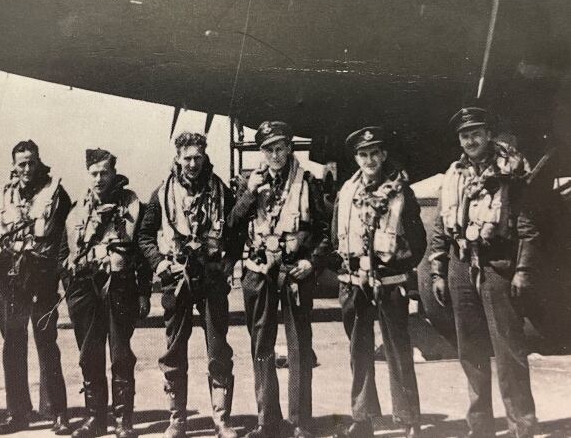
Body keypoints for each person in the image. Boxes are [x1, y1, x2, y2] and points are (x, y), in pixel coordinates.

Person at [429, 108, 539, 438]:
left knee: (509, 351)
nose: (471, 140)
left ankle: (522, 425)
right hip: (461, 266)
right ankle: (480, 427)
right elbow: (439, 224)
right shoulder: (453, 175)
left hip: (497, 266)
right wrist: (437, 270)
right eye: (465, 135)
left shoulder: (510, 172)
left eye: (476, 132)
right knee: (470, 351)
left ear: (488, 134)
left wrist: (522, 270)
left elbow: (528, 225)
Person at [228, 121, 328, 438]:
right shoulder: (249, 182)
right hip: (259, 273)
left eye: (280, 147)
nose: (275, 154)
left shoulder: (308, 182)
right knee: (261, 346)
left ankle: (300, 422)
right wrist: (248, 193)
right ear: (262, 151)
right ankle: (267, 420)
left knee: (299, 345)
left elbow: (327, 231)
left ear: (289, 148)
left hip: (293, 272)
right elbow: (230, 225)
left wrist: (311, 262)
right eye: (269, 148)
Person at [138, 132, 239, 438]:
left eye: (198, 157)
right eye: (187, 158)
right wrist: (159, 263)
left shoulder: (221, 191)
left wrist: (229, 262)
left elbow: (237, 231)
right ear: (178, 158)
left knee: (218, 348)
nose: (193, 164)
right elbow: (144, 235)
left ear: (205, 156)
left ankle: (221, 419)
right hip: (176, 279)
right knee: (174, 350)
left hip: (210, 279)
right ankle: (177, 419)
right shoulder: (162, 193)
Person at [326, 127, 425, 438]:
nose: (369, 159)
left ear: (383, 155)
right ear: (356, 158)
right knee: (360, 351)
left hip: (389, 281)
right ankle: (363, 417)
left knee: (397, 349)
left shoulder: (400, 192)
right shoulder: (346, 192)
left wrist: (400, 269)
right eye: (363, 154)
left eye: (374, 153)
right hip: (354, 282)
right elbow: (333, 236)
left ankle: (409, 419)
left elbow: (418, 239)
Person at [64, 148, 151, 438]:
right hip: (85, 289)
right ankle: (94, 419)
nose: (99, 178)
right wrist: (71, 285)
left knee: (120, 355)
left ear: (114, 174)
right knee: (89, 355)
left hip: (119, 287)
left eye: (104, 173)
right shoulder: (77, 209)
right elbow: (65, 252)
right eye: (94, 173)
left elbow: (142, 251)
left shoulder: (133, 205)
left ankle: (123, 420)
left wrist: (143, 293)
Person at [0, 140, 70, 434]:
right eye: (21, 163)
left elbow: (62, 241)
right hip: (11, 282)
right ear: (14, 166)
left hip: (42, 281)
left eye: (31, 162)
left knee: (47, 345)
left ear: (39, 162)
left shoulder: (55, 193)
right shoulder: (4, 195)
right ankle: (17, 413)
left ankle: (59, 412)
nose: (27, 169)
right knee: (13, 347)